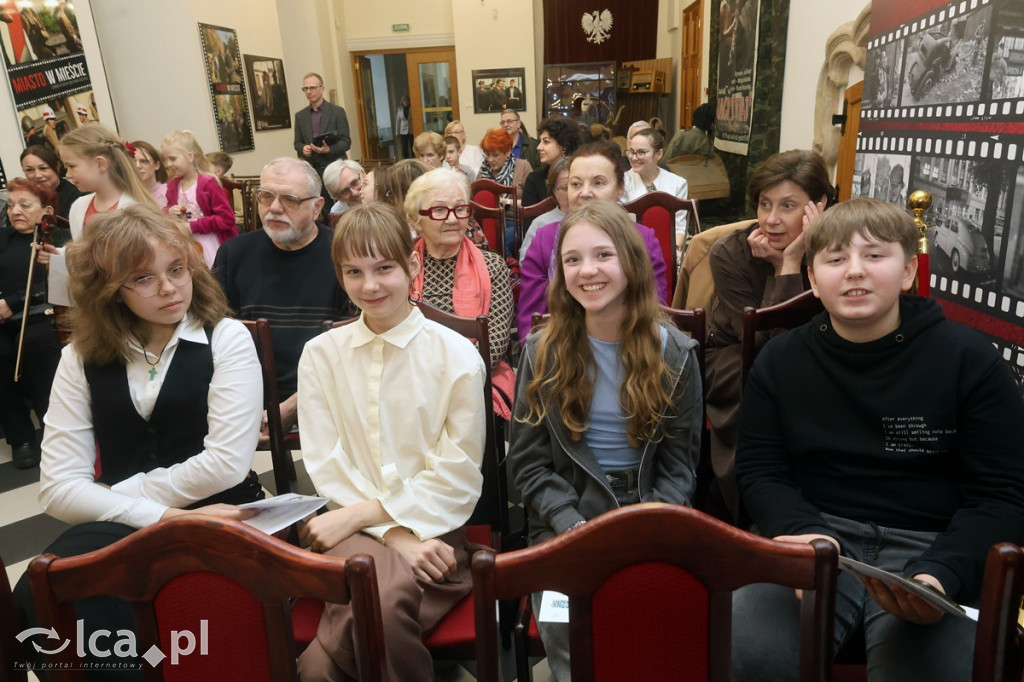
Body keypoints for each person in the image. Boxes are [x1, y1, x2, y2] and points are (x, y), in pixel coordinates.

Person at [731, 197, 1024, 681]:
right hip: (818, 535)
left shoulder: (968, 360)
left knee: (936, 669)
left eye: (874, 255)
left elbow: (1004, 494)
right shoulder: (782, 360)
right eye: (835, 258)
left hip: (934, 544)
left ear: (908, 270)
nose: (854, 272)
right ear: (812, 278)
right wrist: (802, 532)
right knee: (744, 649)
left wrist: (942, 573)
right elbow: (761, 470)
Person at [15, 204, 263, 678]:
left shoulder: (226, 337)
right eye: (144, 279)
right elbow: (57, 488)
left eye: (176, 269)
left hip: (220, 509)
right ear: (110, 291)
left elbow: (225, 466)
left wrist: (116, 494)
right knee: (42, 592)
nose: (170, 288)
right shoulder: (80, 357)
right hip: (123, 521)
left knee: (165, 604)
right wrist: (157, 515)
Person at [509, 200, 702, 681]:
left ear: (631, 265)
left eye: (603, 256)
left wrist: (648, 524)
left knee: (652, 625)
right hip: (566, 514)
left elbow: (681, 466)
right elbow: (528, 465)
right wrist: (571, 524)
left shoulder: (675, 353)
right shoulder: (542, 351)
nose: (587, 271)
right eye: (572, 260)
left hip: (651, 509)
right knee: (568, 631)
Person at [296, 202, 486, 682]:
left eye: (384, 268)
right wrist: (393, 534)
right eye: (354, 272)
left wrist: (369, 516)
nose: (371, 285)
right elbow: (326, 462)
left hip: (432, 528)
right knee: (382, 598)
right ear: (340, 276)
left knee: (322, 666)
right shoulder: (320, 355)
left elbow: (457, 474)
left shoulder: (456, 355)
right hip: (345, 530)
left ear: (413, 266)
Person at [704, 149, 833, 522]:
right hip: (736, 358)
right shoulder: (729, 252)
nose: (772, 220)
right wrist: (789, 266)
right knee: (769, 388)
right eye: (764, 204)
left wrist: (791, 263)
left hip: (817, 357)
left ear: (818, 206)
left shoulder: (835, 248)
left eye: (788, 206)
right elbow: (767, 345)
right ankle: (760, 508)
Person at [213, 157, 351, 443]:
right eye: (266, 196)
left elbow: (351, 352)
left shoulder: (343, 254)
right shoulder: (233, 254)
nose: (274, 208)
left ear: (317, 207)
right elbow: (214, 341)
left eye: (289, 199)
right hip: (245, 399)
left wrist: (292, 407)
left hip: (328, 398)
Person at [517, 141, 669, 337]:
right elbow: (531, 321)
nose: (585, 193)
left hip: (631, 348)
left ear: (620, 188)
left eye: (598, 183)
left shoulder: (642, 239)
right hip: (560, 350)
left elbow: (654, 313)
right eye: (575, 184)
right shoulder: (544, 241)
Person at [405, 168, 515, 417]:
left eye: (460, 208)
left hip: (477, 377)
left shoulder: (492, 266)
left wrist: (448, 382)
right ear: (415, 220)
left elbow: (494, 342)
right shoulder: (402, 268)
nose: (453, 219)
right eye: (440, 210)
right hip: (412, 378)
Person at [0, 179, 67, 469]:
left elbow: (57, 284)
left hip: (46, 315)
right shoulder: (3, 239)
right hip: (4, 319)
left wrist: (12, 302)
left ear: (46, 210)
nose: (15, 211)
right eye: (11, 205)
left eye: (24, 205)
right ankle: (21, 438)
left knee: (35, 345)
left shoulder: (58, 237)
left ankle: (55, 437)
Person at [59, 123, 157, 241]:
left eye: (71, 166)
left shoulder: (134, 210)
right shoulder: (78, 206)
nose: (68, 174)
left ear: (100, 164)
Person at [161, 130, 238, 266]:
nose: (167, 164)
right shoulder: (173, 185)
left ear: (190, 157)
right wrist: (169, 212)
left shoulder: (208, 183)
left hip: (211, 245)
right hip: (186, 245)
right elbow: (168, 211)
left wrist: (193, 226)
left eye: (172, 159)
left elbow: (226, 219)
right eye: (165, 159)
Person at [623, 127, 690, 250]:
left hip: (667, 248)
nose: (633, 157)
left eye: (641, 152)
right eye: (631, 151)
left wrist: (674, 253)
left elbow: (679, 226)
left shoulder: (677, 183)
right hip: (632, 249)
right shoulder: (622, 182)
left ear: (658, 154)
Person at [479, 128, 532, 253]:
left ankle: (506, 270)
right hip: (488, 222)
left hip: (514, 221)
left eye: (495, 155)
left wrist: (503, 202)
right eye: (487, 155)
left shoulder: (523, 167)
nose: (490, 160)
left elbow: (531, 203)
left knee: (503, 241)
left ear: (508, 151)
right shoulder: (483, 171)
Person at [522, 116, 582, 227]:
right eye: (540, 141)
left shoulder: (582, 177)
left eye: (546, 142)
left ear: (563, 146)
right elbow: (529, 227)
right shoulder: (534, 179)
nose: (538, 147)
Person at [293, 72, 351, 171]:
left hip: (335, 169)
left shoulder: (337, 112)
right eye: (305, 89)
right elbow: (297, 143)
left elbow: (346, 142)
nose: (309, 92)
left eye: (312, 88)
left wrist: (329, 150)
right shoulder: (300, 116)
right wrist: (303, 149)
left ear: (322, 89)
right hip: (312, 170)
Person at [520, 156, 569, 262]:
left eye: (576, 185)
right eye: (564, 188)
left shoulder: (592, 219)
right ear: (553, 190)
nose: (571, 192)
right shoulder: (541, 223)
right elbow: (525, 262)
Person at [20, 145, 82, 224]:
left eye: (43, 168)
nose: (37, 175)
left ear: (57, 166)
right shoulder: (20, 199)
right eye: (30, 170)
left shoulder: (78, 197)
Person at [131, 140, 169, 210]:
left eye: (144, 161)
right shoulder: (128, 195)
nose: (138, 166)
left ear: (157, 165)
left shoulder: (168, 192)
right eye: (133, 162)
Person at [395, 94, 413, 159]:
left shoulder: (411, 108)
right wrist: (397, 132)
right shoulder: (400, 110)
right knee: (404, 147)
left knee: (412, 146)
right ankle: (406, 160)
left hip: (411, 130)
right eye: (404, 100)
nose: (405, 102)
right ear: (402, 102)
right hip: (403, 131)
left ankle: (413, 159)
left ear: (408, 101)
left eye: (406, 100)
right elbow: (398, 122)